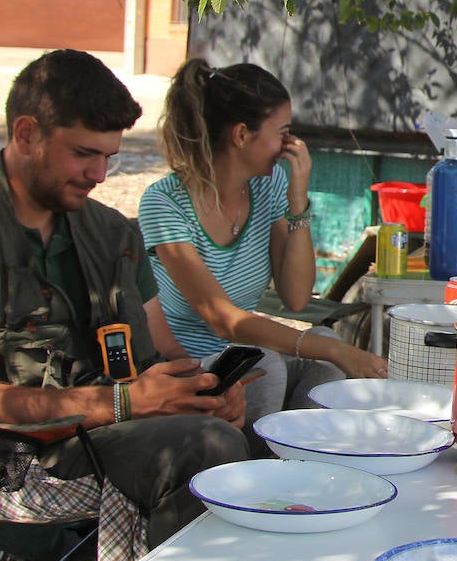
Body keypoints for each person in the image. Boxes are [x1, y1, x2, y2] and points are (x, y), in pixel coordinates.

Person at [0, 49, 249, 561]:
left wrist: (207, 386)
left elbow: (162, 344)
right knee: (203, 449)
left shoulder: (109, 232)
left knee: (255, 422)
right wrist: (126, 402)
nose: (100, 174)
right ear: (26, 134)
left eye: (111, 157)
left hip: (102, 437)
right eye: (85, 154)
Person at [138, 59, 385, 452]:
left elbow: (297, 297)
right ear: (241, 135)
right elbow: (223, 321)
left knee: (323, 350)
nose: (292, 145)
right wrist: (339, 347)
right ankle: (254, 476)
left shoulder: (268, 191)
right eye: (283, 133)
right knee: (265, 364)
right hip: (185, 367)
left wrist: (298, 200)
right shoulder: (165, 203)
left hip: (238, 357)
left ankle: (304, 465)